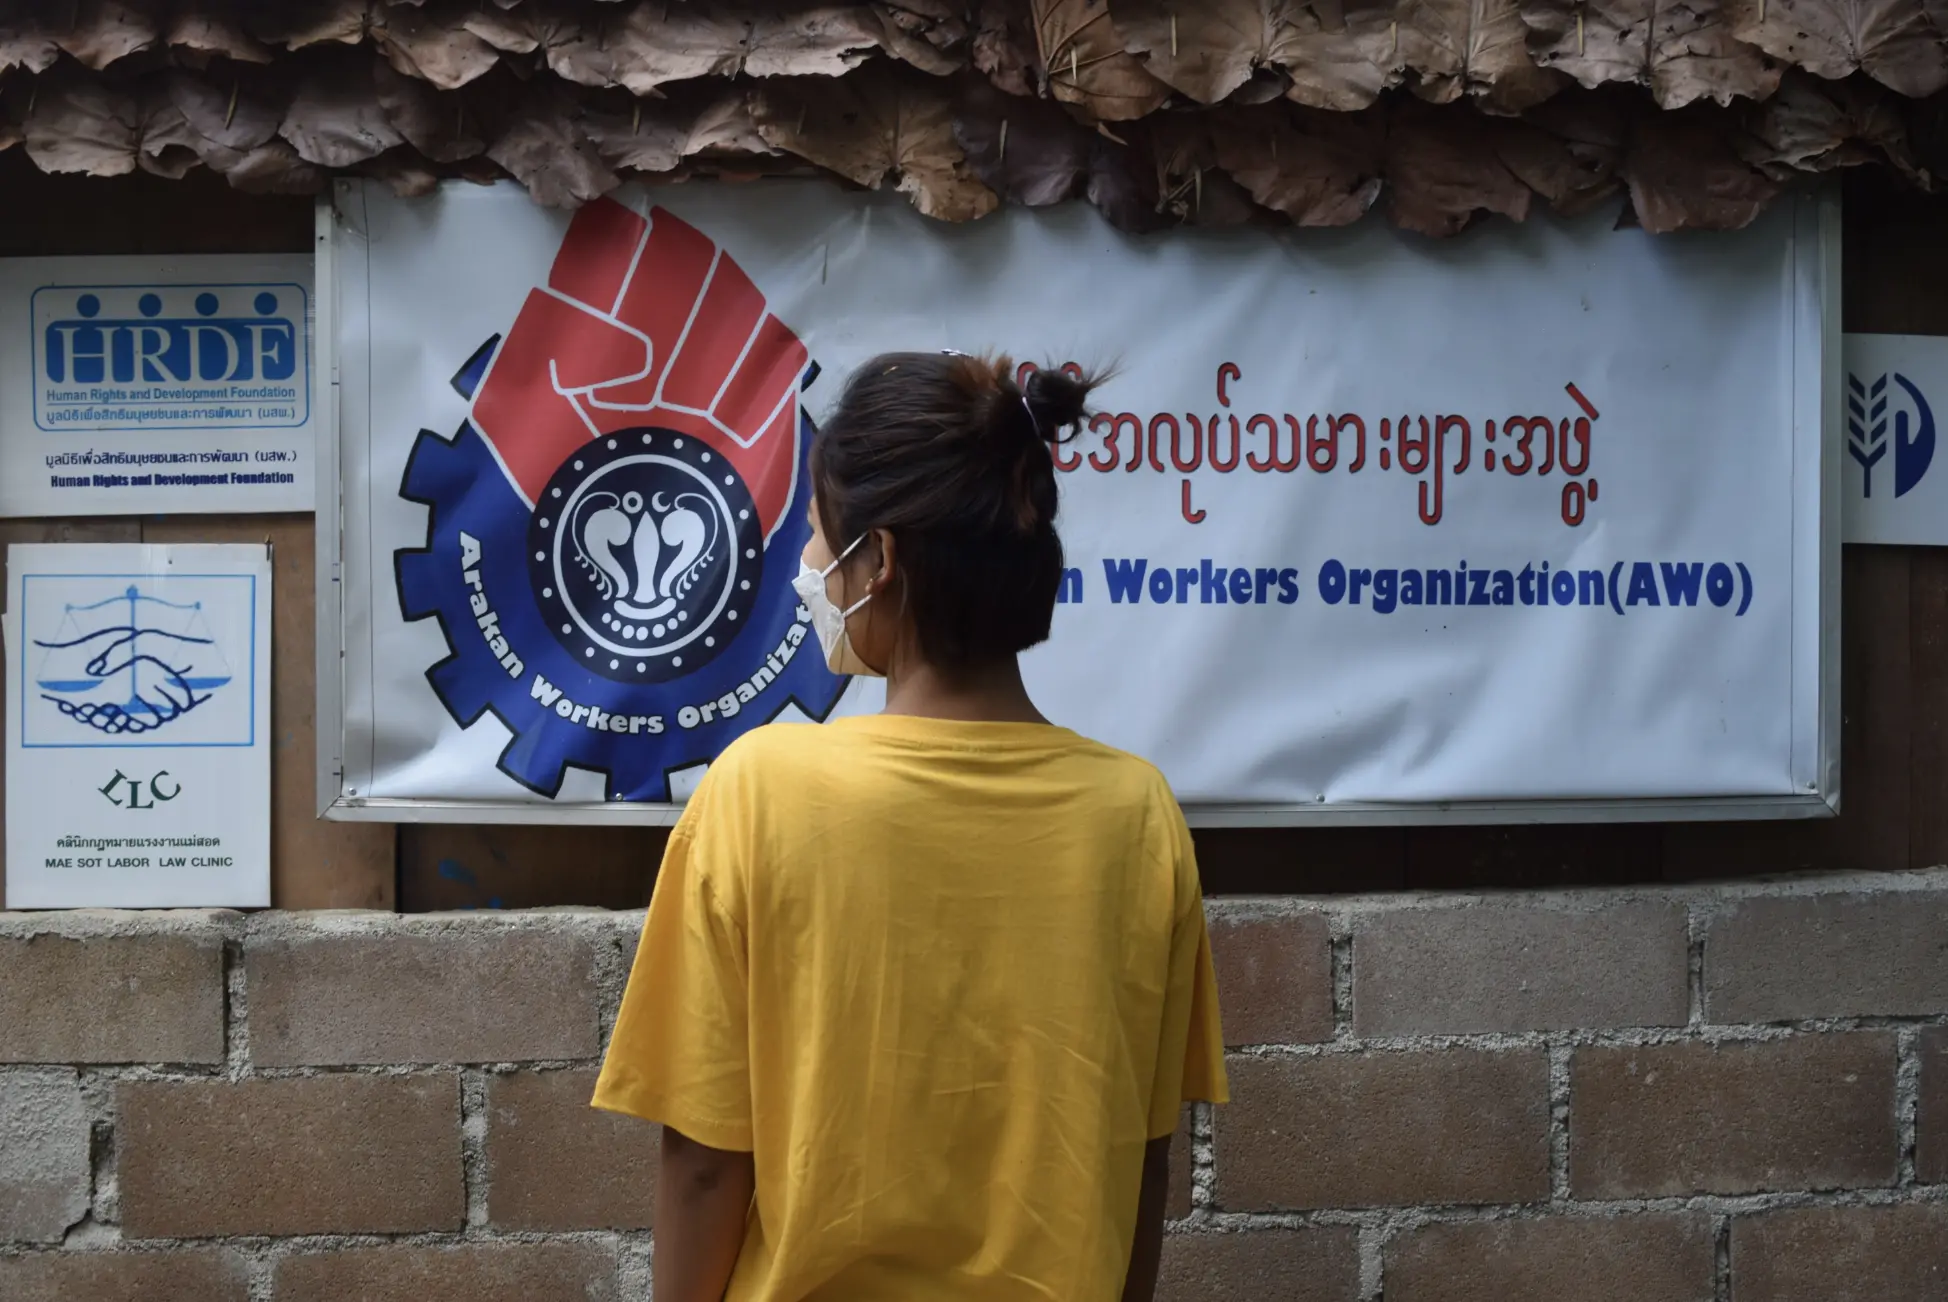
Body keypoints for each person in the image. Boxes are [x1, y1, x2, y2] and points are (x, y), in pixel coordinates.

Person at [592, 350, 1228, 1302]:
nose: (809, 569)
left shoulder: (757, 792)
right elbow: (1139, 1164)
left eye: (816, 538)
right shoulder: (1136, 815)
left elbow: (705, 1165)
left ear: (879, 560)